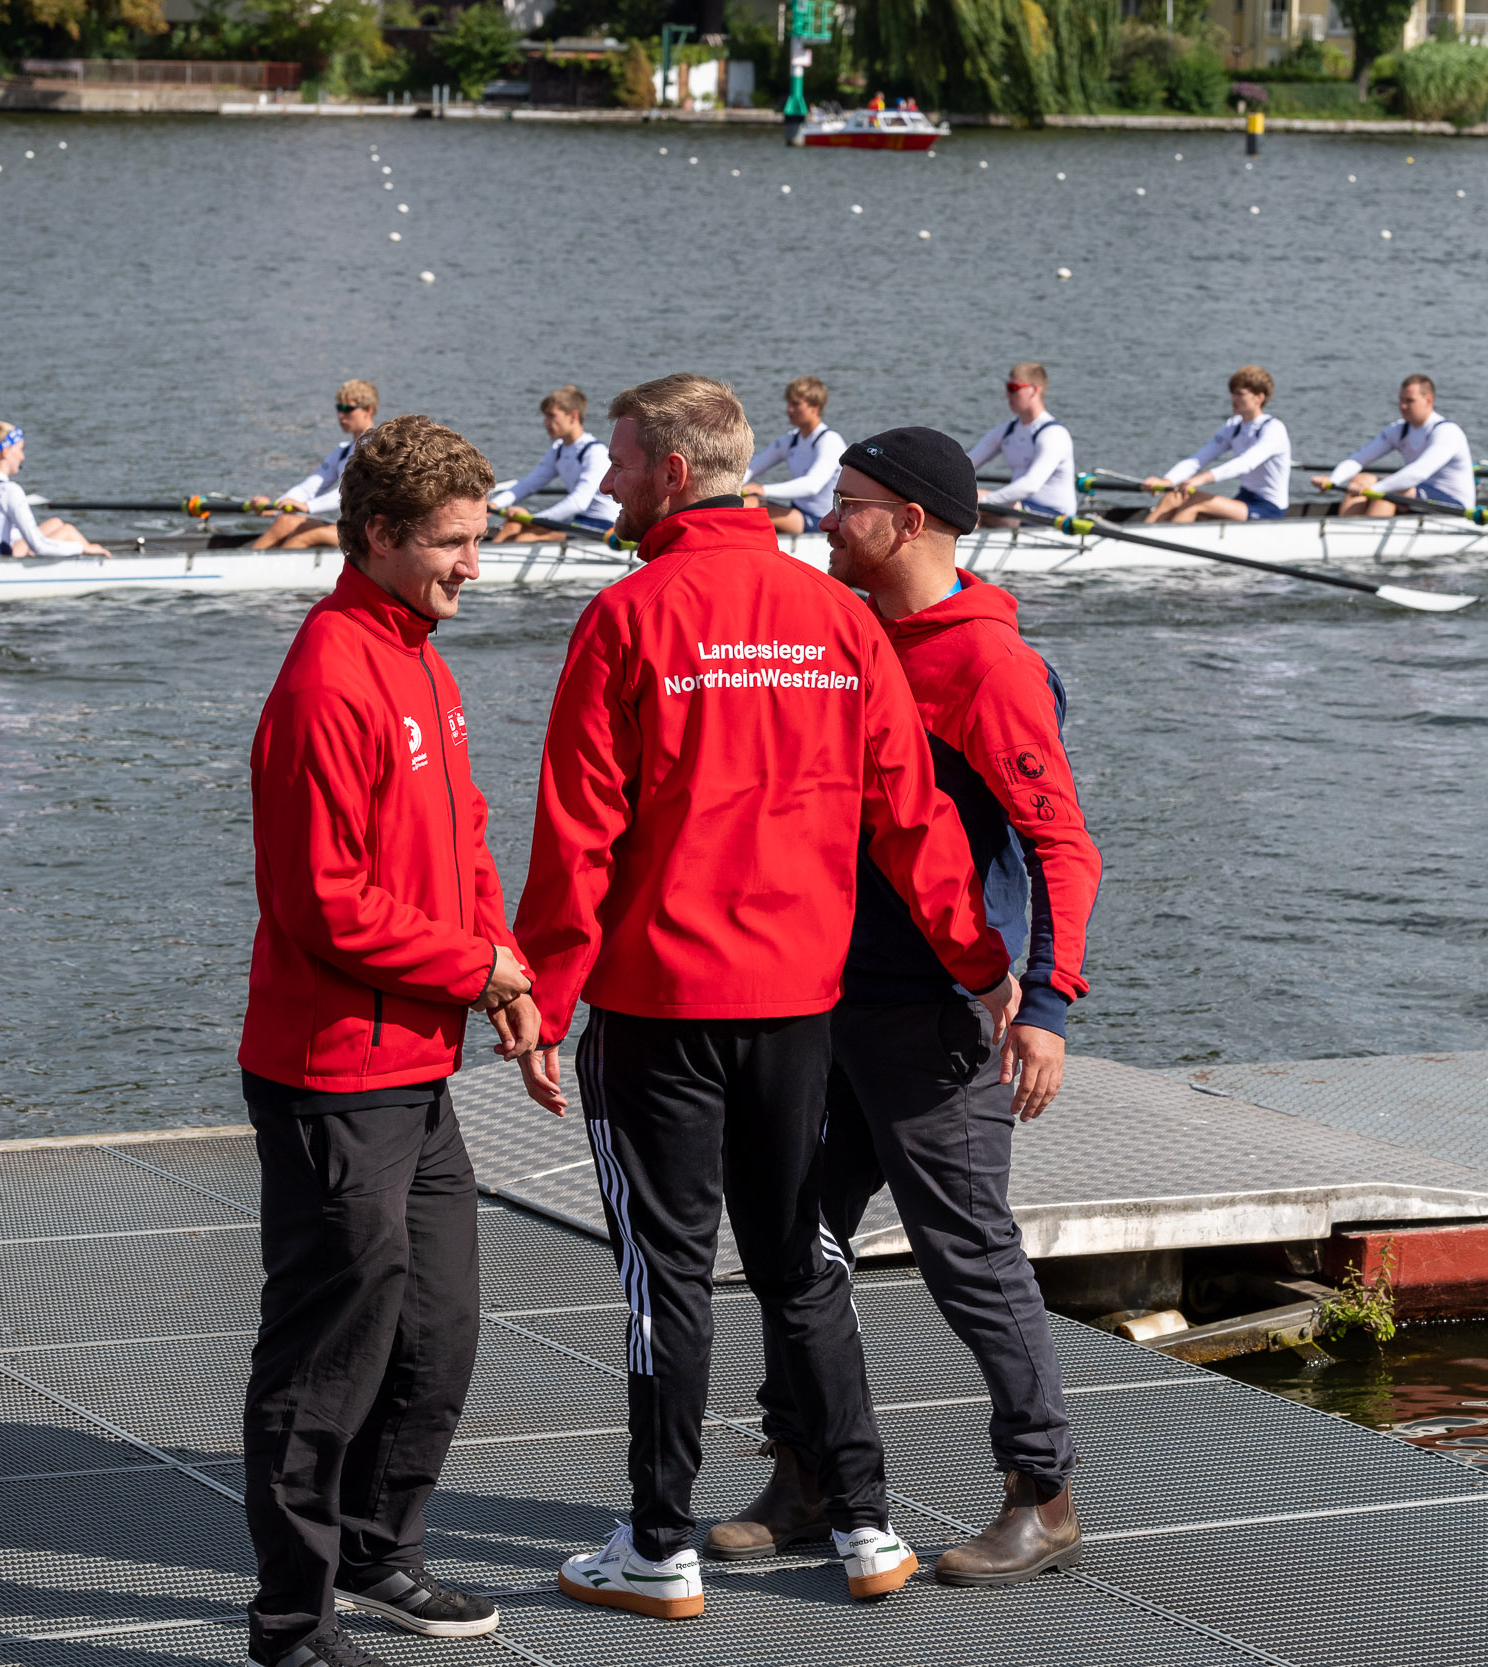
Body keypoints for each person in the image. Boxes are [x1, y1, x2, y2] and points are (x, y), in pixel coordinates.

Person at [509, 374, 1018, 1621]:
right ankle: (868, 1527)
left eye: (622, 463)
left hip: (661, 1006)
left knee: (665, 1274)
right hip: (799, 1009)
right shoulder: (836, 620)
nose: (610, 482)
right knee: (802, 1260)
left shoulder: (627, 617)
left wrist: (543, 994)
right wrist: (980, 962)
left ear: (674, 473)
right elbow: (912, 814)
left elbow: (579, 835)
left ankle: (657, 1543)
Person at [713, 428, 1102, 1586]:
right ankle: (809, 1467)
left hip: (935, 1012)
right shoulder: (852, 633)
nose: (827, 522)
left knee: (964, 1251)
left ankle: (1042, 1490)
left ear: (914, 522)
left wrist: (1049, 1006)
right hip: (816, 996)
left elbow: (1061, 845)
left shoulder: (988, 668)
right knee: (792, 1236)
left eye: (850, 505)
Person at [236, 414, 537, 1667]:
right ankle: (291, 1627)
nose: (476, 564)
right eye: (453, 544)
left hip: (416, 1064)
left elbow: (462, 836)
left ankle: (377, 1542)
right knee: (326, 1358)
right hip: (327, 1076)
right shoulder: (328, 675)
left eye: (480, 539)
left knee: (440, 1325)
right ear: (377, 536)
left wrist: (505, 973)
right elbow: (324, 901)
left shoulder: (421, 656)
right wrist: (478, 965)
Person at [1139, 366, 1290, 524]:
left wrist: (1200, 479)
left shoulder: (1274, 429)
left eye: (1240, 394)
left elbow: (1245, 464)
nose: (1234, 399)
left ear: (1259, 397)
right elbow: (1199, 459)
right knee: (1174, 495)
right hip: (1243, 499)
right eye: (1233, 393)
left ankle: (1164, 545)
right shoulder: (1234, 426)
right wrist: (1167, 481)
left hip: (1268, 509)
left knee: (1194, 501)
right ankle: (1140, 540)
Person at [1312, 374, 1474, 518]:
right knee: (1361, 479)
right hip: (1417, 494)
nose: (1403, 406)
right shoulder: (1399, 429)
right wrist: (1333, 480)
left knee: (1392, 487)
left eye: (1409, 401)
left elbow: (1418, 473)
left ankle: (1366, 540)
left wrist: (1376, 488)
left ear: (1429, 400)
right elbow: (1359, 459)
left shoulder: (1447, 432)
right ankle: (1344, 531)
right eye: (1401, 400)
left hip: (1455, 505)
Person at [249, 381, 378, 552]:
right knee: (285, 520)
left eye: (348, 409)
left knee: (305, 532)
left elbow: (350, 494)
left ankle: (264, 572)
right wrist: (274, 506)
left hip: (371, 535)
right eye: (339, 408)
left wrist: (308, 507)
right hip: (349, 527)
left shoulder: (376, 449)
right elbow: (309, 488)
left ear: (368, 410)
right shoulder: (342, 451)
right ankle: (241, 568)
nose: (341, 415)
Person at [488, 386, 620, 543]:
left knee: (524, 536)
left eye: (552, 416)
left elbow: (578, 502)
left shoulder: (594, 453)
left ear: (573, 417)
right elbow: (529, 484)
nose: (546, 423)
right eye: (545, 417)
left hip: (604, 527)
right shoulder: (559, 449)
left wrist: (531, 519)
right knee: (514, 525)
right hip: (580, 521)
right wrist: (494, 504)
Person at [0, 422, 106, 558]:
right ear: (5, 452)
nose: (22, 457)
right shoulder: (8, 491)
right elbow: (39, 547)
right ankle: (100, 561)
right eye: (20, 450)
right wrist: (82, 548)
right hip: (4, 564)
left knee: (55, 523)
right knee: (67, 530)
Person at [968, 362, 1076, 527]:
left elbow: (1030, 485)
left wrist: (984, 501)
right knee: (962, 501)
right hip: (1019, 508)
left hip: (1054, 517)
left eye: (1013, 388)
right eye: (1007, 387)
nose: (1007, 395)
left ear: (1035, 389)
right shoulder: (1007, 431)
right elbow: (966, 464)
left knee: (970, 507)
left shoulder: (1053, 435)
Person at [741, 376, 847, 533]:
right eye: (789, 403)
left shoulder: (830, 441)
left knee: (749, 504)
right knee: (738, 502)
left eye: (796, 404)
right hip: (797, 513)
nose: (789, 409)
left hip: (822, 520)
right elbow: (752, 468)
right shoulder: (790, 440)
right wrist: (730, 487)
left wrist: (763, 490)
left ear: (815, 408)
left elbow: (811, 486)